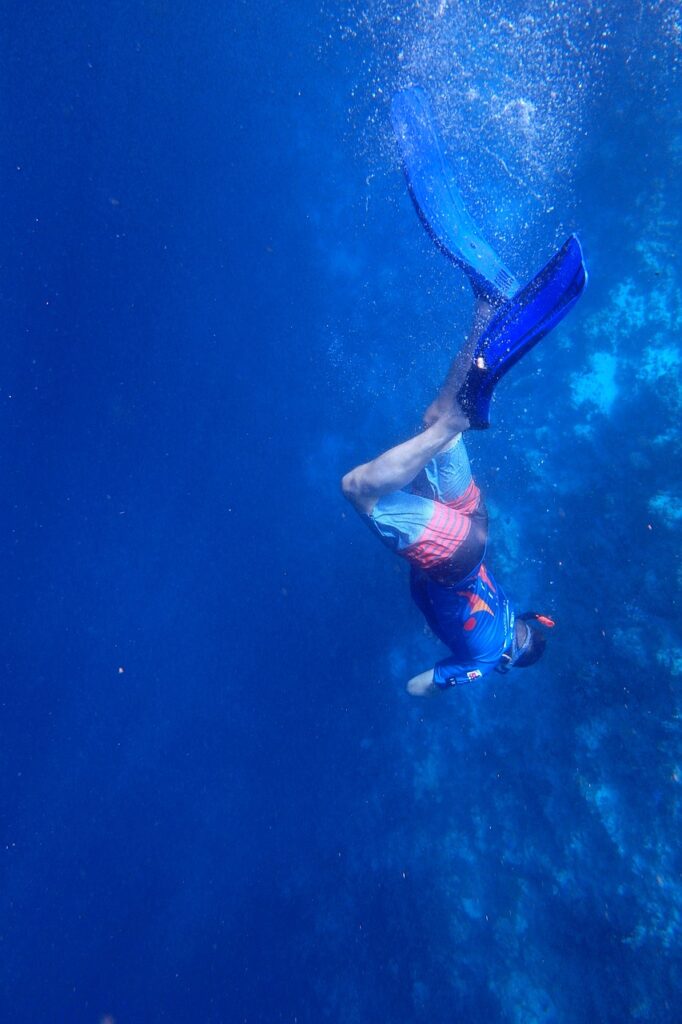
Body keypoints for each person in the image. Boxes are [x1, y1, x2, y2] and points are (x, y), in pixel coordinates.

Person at [341, 88, 587, 697]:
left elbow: (513, 617)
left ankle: (489, 307)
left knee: (431, 414)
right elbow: (418, 687)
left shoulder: (511, 618)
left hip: (473, 524)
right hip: (451, 556)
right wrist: (457, 676)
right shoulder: (486, 662)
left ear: (527, 628)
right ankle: (462, 418)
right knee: (360, 489)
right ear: (514, 658)